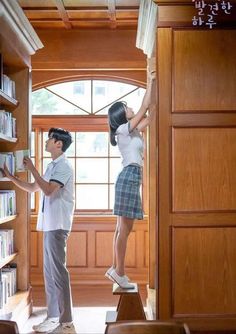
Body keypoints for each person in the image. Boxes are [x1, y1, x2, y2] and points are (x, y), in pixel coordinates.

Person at [2, 128, 76, 334]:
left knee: (59, 273)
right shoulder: (53, 166)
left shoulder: (64, 166)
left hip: (58, 225)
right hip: (50, 225)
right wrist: (10, 177)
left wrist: (33, 168)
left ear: (59, 144)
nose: (46, 141)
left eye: (50, 138)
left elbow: (49, 190)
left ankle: (67, 322)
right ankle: (54, 317)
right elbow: (34, 187)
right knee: (50, 273)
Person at [105, 71, 156, 289]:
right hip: (129, 177)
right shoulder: (122, 129)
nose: (130, 108)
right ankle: (119, 272)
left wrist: (155, 89)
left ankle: (114, 268)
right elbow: (144, 107)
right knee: (124, 230)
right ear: (121, 114)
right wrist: (151, 79)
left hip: (131, 178)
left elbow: (151, 115)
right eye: (126, 107)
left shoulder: (132, 131)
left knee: (121, 229)